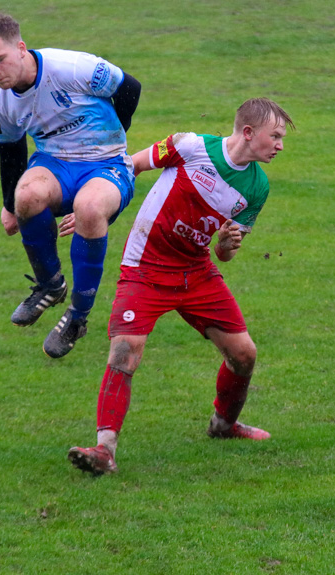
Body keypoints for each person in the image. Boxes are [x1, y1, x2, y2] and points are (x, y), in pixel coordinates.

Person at [67, 98, 294, 475]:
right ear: (249, 133)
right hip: (145, 267)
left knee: (244, 354)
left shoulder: (257, 187)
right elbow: (130, 167)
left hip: (196, 272)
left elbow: (224, 255)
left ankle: (224, 426)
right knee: (125, 353)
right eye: (276, 137)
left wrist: (226, 244)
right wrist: (94, 208)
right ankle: (104, 451)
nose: (280, 146)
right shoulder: (190, 146)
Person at [0, 13, 141, 357]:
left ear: (20, 48)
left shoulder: (73, 68)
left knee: (90, 208)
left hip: (106, 162)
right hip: (55, 164)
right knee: (26, 195)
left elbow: (130, 88)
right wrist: (8, 204)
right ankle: (50, 285)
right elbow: (12, 151)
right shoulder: (2, 101)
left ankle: (77, 316)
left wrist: (114, 136)